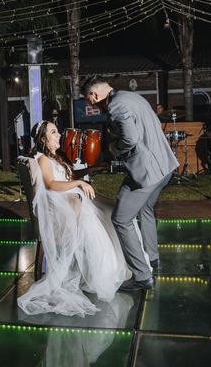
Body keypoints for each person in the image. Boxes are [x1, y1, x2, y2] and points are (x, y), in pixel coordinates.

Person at [17, 121, 132, 317]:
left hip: (71, 200)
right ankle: (102, 275)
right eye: (54, 132)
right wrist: (78, 183)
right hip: (63, 207)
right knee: (100, 218)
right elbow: (52, 184)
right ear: (43, 139)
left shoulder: (55, 158)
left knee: (109, 211)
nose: (59, 134)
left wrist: (89, 170)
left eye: (57, 130)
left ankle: (112, 269)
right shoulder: (43, 159)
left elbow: (66, 177)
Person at [82, 77, 178, 291]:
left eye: (89, 101)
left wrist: (113, 150)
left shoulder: (116, 106)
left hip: (147, 173)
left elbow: (131, 138)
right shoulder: (132, 97)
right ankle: (153, 259)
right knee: (145, 209)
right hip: (165, 166)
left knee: (120, 219)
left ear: (95, 95)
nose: (91, 106)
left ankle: (142, 276)